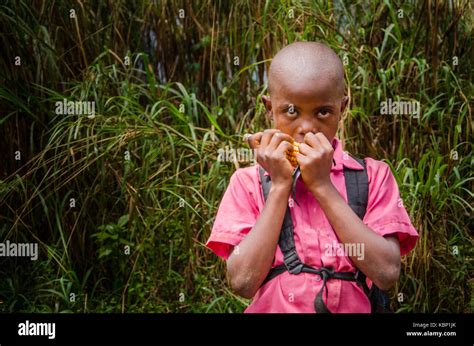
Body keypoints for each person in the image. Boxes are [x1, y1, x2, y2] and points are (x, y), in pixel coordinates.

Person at [206, 41, 419, 313]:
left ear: (342, 108)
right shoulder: (247, 183)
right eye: (291, 111)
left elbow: (386, 273)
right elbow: (242, 281)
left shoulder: (372, 176)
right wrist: (280, 185)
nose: (306, 127)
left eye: (322, 112)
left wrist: (321, 185)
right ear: (269, 108)